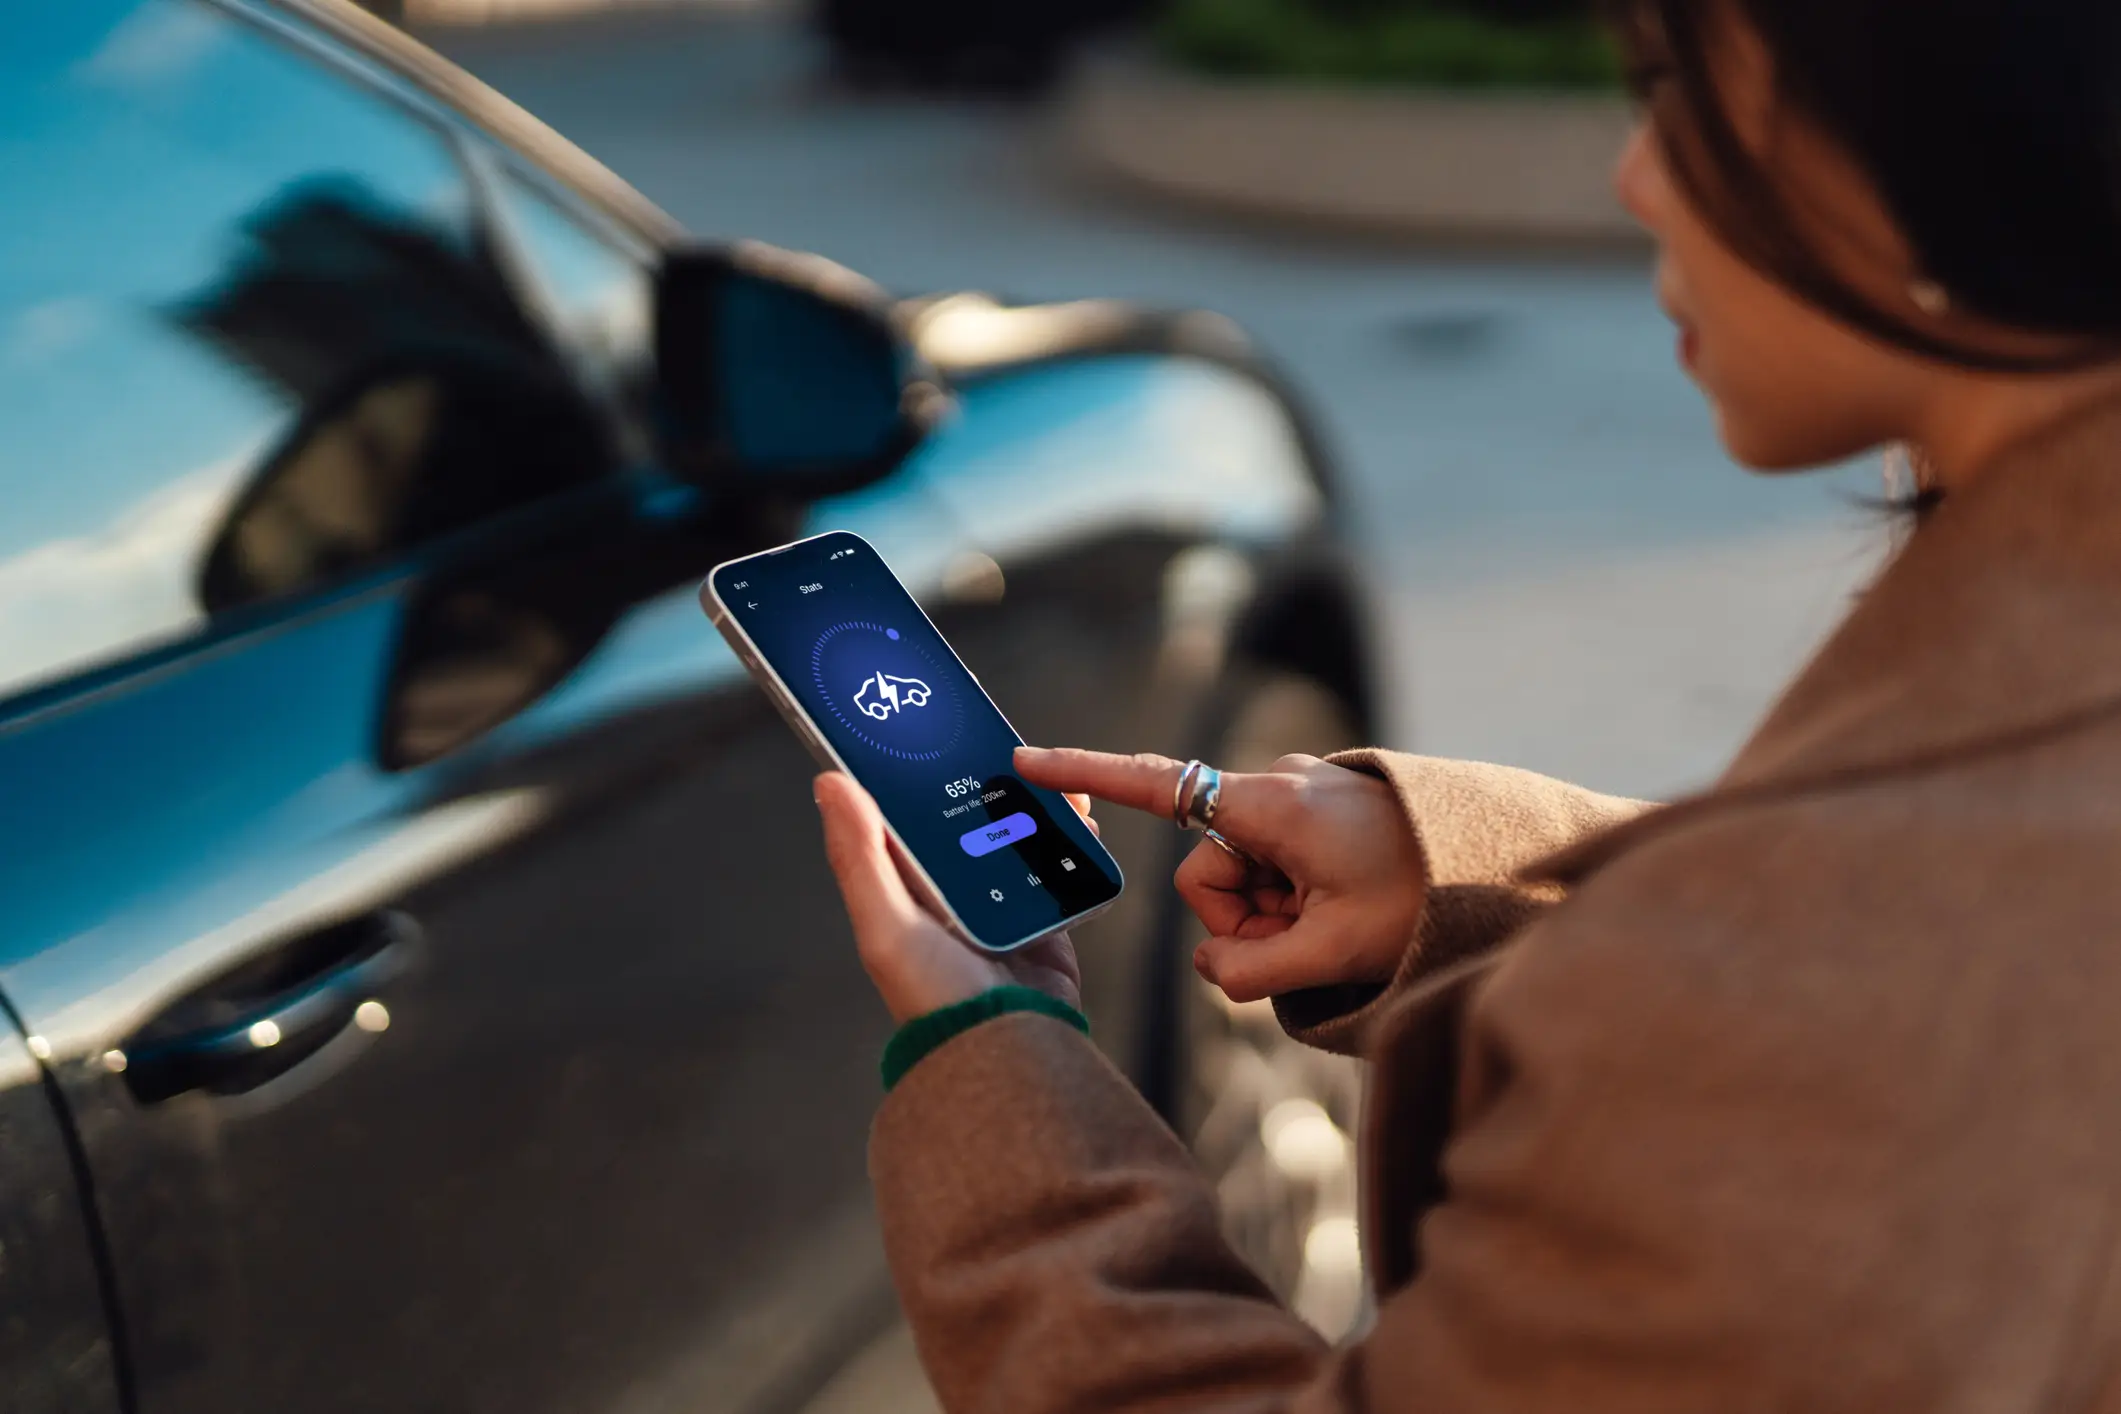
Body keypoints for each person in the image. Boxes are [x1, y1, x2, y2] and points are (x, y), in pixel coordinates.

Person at [811, 0, 2121, 1407]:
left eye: (1683, 87)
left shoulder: (1779, 990)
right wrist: (1474, 880)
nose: (1636, 174)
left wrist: (995, 1060)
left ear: (1958, 121)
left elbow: (1846, 992)